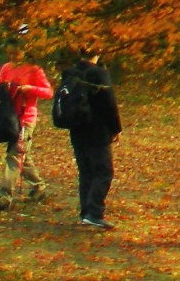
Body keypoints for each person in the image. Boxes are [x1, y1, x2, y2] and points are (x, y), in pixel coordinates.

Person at [61, 53, 122, 230]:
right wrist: (116, 128)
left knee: (86, 172)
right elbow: (109, 104)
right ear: (97, 53)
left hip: (77, 128)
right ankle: (95, 213)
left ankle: (86, 212)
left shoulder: (70, 73)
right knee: (103, 171)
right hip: (97, 129)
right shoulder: (98, 74)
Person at [0, 57, 54, 210]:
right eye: (10, 53)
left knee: (15, 154)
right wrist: (3, 88)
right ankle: (38, 187)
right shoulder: (6, 67)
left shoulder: (34, 69)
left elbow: (48, 92)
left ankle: (4, 195)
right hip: (9, 116)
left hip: (26, 118)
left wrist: (29, 88)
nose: (13, 56)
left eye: (16, 52)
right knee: (22, 154)